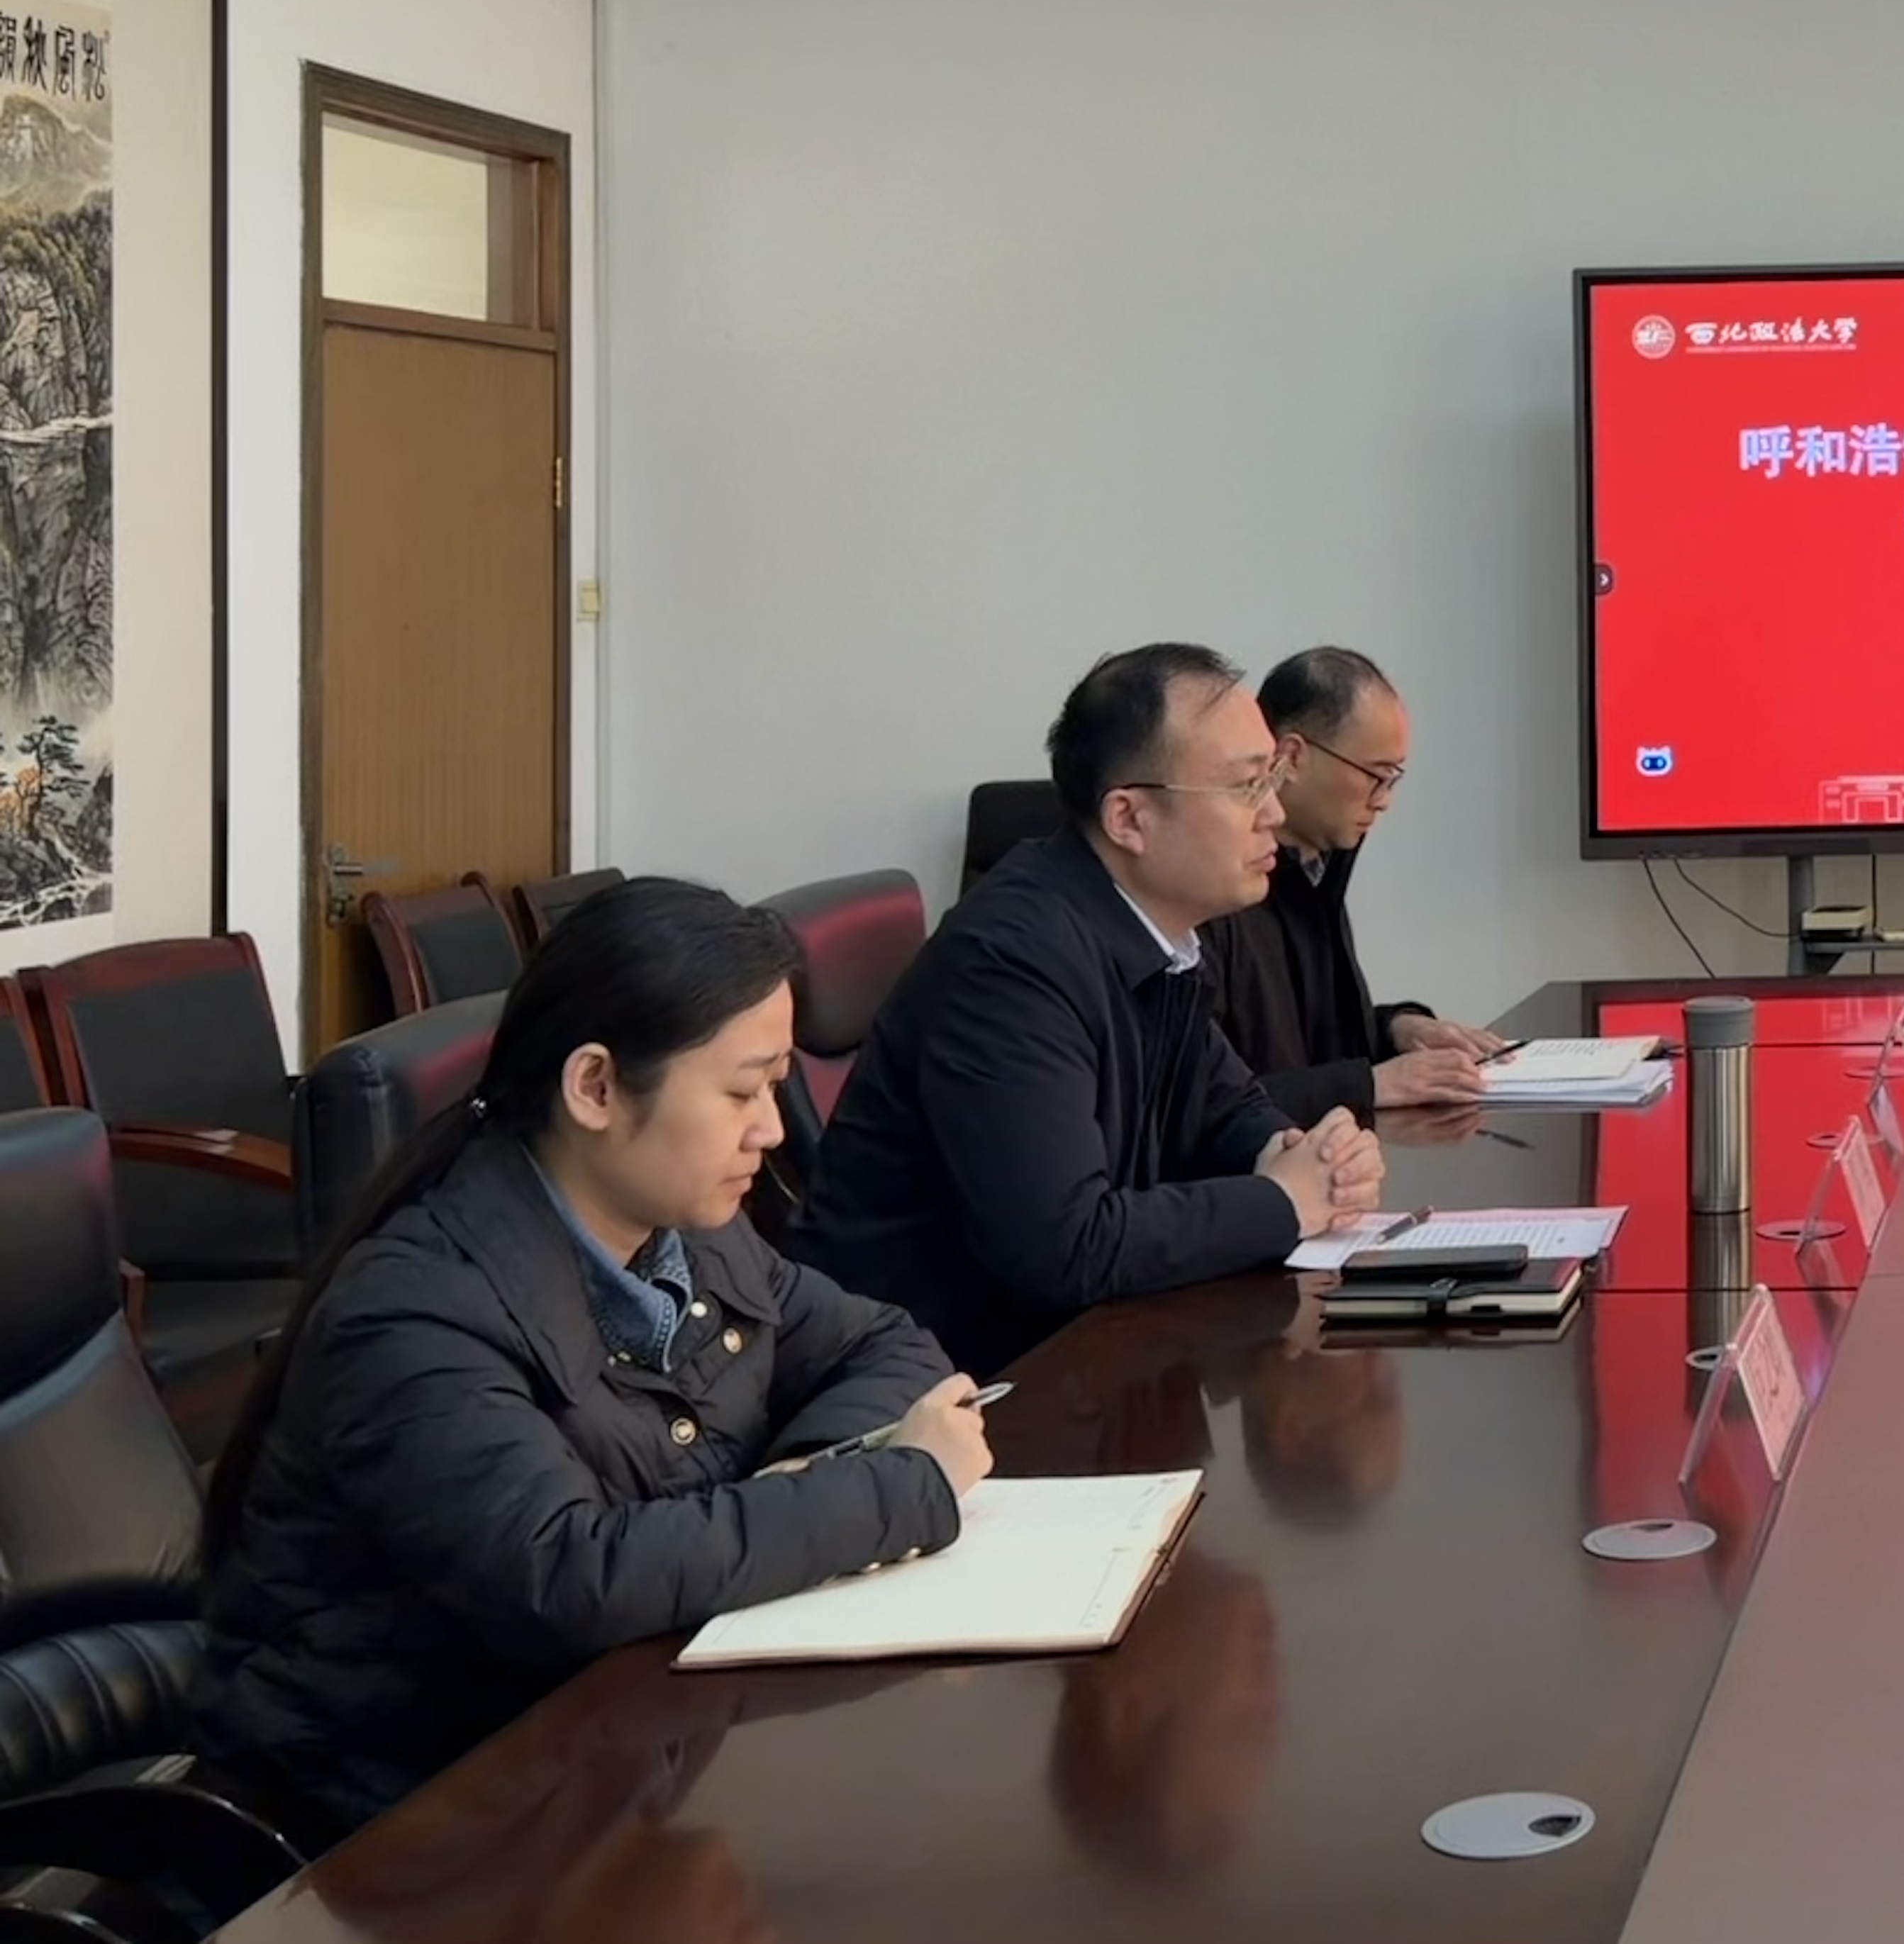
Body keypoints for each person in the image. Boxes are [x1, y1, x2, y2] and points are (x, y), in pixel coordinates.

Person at [200, 881, 991, 1838]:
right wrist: (894, 1486)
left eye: (776, 1086)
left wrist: (802, 1475)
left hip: (621, 1748)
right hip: (410, 1817)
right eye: (741, 1092)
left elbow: (881, 1343)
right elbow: (572, 1579)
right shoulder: (416, 1310)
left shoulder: (693, 1231)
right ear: (596, 1088)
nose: (773, 1130)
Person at [791, 644, 1384, 1373]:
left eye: (1273, 779)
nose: (1275, 813)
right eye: (1246, 786)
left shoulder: (1156, 931)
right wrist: (1284, 1203)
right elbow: (1064, 1246)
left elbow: (1221, 1102)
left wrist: (1293, 1153)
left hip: (1072, 1351)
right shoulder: (1013, 963)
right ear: (1129, 817)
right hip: (934, 1381)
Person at [1205, 647, 1503, 1120]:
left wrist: (1397, 1029)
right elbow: (1199, 1104)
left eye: (1393, 780)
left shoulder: (1318, 871)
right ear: (1292, 757)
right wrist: (1366, 1085)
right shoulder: (1211, 890)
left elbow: (1314, 1046)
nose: (1383, 801)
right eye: (1375, 777)